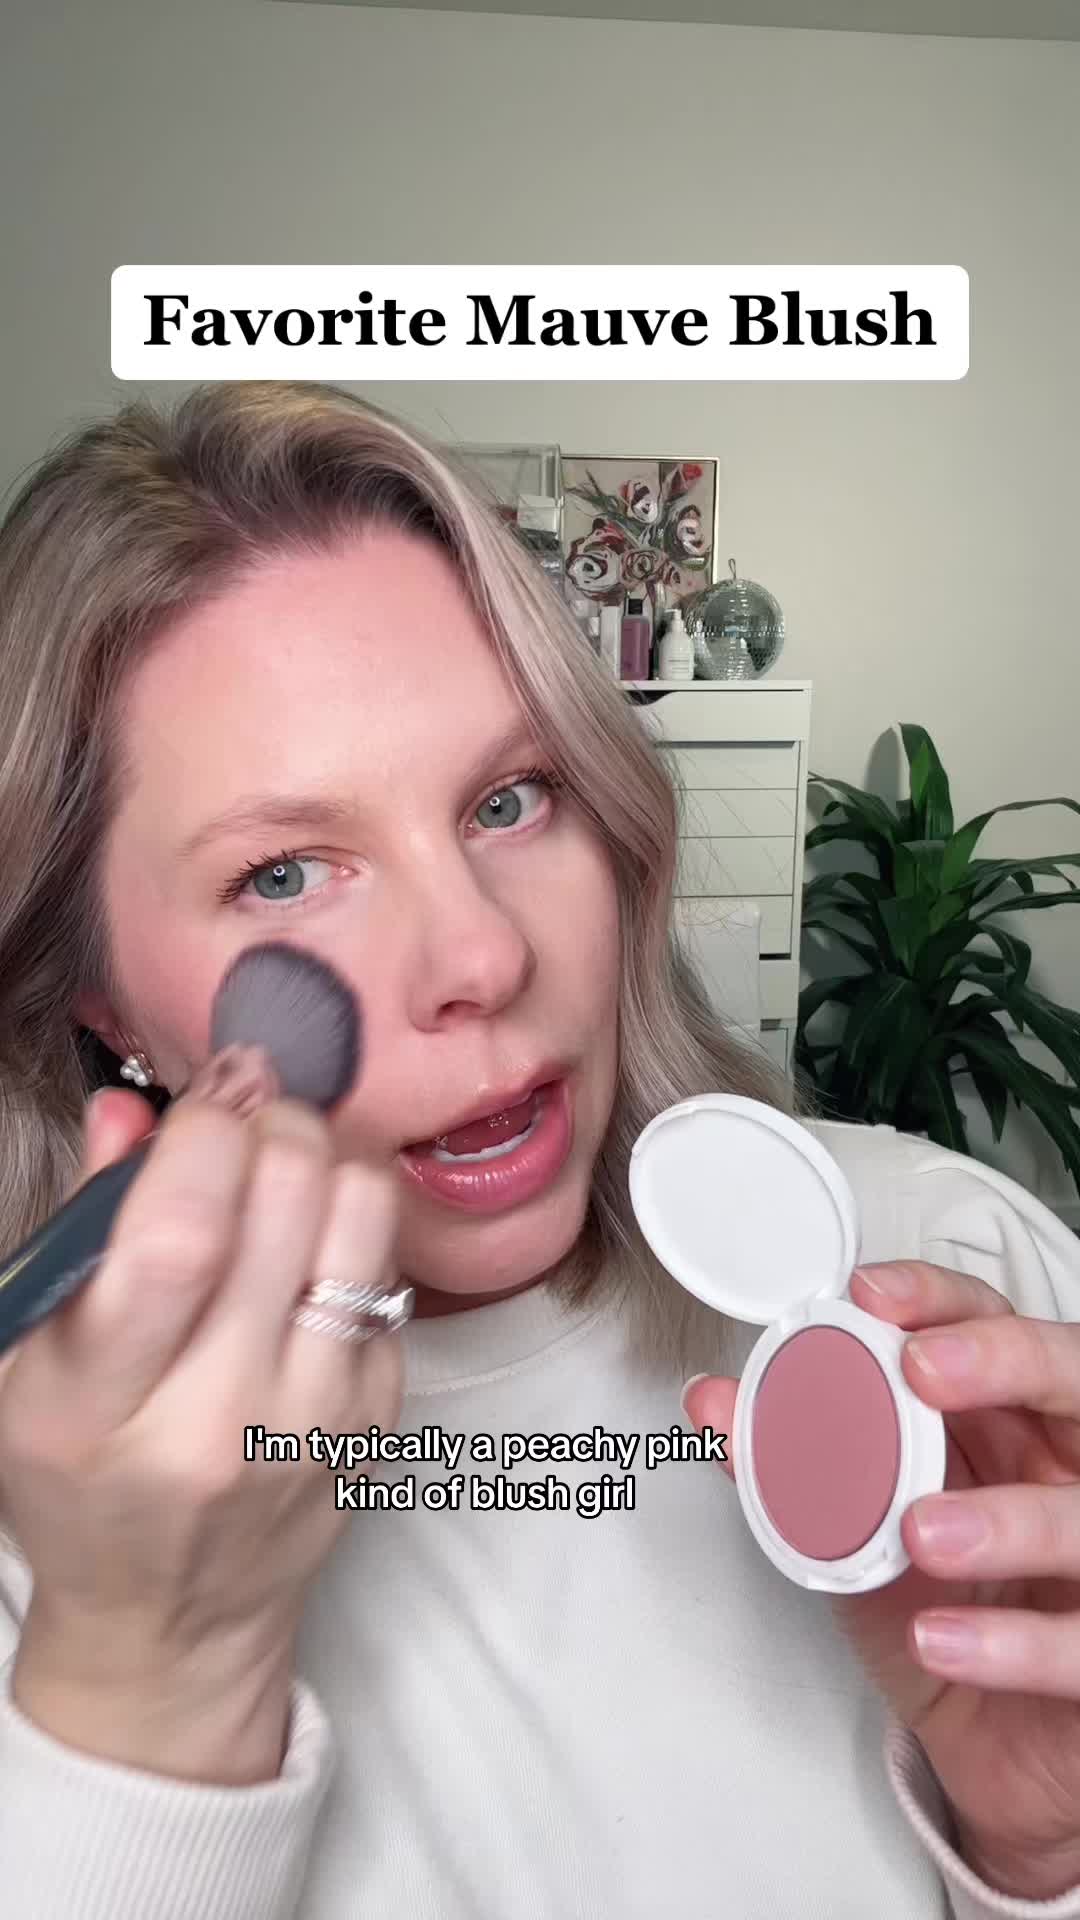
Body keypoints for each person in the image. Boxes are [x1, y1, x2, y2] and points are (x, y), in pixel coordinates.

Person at [0, 381, 1078, 1920]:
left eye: (511, 799)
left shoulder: (954, 1271)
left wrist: (1042, 1856)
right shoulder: (43, 1528)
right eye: (286, 872)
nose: (483, 955)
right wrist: (146, 1697)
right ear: (103, 1003)